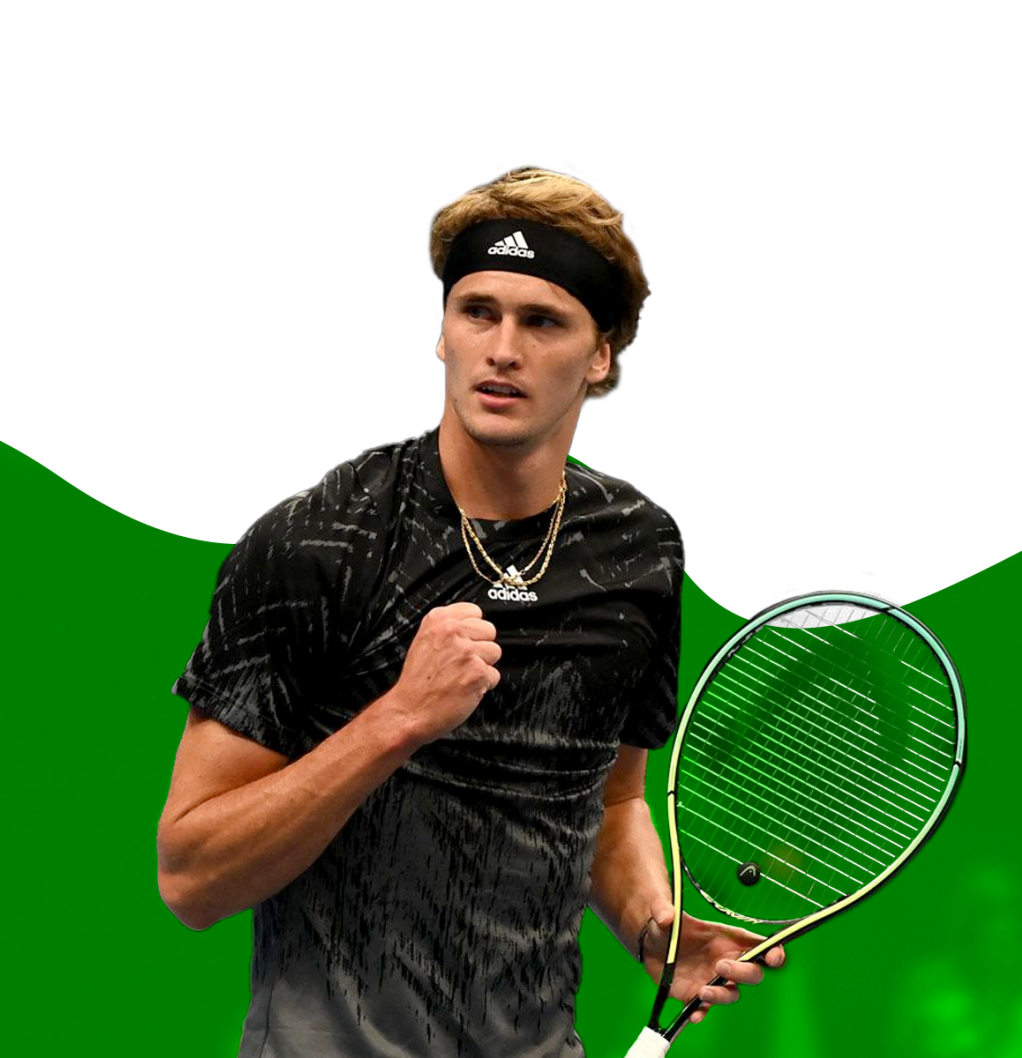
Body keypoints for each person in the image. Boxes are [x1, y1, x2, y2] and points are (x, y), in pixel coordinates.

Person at [156, 167, 783, 1057]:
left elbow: (610, 804)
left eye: (543, 322)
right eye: (477, 312)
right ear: (443, 332)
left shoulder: (638, 551)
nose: (502, 349)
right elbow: (191, 878)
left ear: (600, 355)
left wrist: (655, 930)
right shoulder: (319, 542)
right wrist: (398, 721)